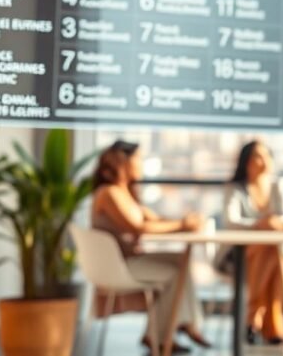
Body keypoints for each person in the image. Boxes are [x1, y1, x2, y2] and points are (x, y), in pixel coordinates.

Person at [90, 140, 212, 353]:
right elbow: (138, 227)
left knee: (180, 262)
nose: (142, 164)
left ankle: (179, 327)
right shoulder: (109, 194)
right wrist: (182, 225)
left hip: (128, 261)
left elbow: (156, 219)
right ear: (122, 162)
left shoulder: (126, 193)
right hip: (118, 266)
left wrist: (185, 222)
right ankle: (165, 332)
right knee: (175, 273)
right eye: (139, 159)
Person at [221, 140, 283, 345]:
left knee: (271, 250)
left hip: (270, 254)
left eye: (266, 155)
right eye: (257, 156)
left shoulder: (279, 185)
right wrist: (262, 224)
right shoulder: (235, 188)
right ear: (246, 162)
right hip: (237, 255)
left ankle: (253, 316)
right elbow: (231, 223)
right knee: (271, 251)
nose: (263, 161)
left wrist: (273, 223)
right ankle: (273, 325)